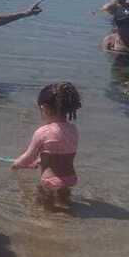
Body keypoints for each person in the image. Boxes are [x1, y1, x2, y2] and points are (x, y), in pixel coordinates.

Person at [10, 82, 82, 211]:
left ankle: (47, 223)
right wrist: (40, 160)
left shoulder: (43, 132)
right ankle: (66, 210)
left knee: (44, 208)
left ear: (44, 109)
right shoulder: (73, 129)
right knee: (65, 202)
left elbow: (28, 157)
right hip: (71, 178)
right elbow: (62, 152)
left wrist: (17, 163)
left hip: (50, 181)